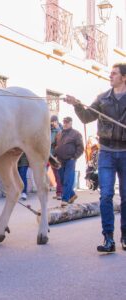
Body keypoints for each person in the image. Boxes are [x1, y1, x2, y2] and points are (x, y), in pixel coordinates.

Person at [65, 62, 126, 253]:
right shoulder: (102, 99)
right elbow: (86, 117)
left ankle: (125, 236)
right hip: (106, 152)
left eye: (114, 74)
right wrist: (76, 104)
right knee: (105, 195)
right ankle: (109, 239)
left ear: (124, 77)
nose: (110, 76)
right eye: (110, 73)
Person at [53, 117, 84, 207]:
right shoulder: (59, 134)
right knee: (62, 180)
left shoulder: (76, 134)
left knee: (67, 179)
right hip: (59, 160)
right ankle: (72, 195)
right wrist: (54, 155)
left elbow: (81, 148)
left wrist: (74, 157)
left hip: (70, 160)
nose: (65, 124)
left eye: (67, 122)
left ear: (71, 123)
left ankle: (65, 199)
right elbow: (55, 145)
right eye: (64, 122)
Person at [50, 115, 63, 200]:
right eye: (52, 122)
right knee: (56, 175)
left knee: (59, 175)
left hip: (58, 155)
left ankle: (60, 193)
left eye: (54, 121)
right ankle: (59, 192)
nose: (53, 123)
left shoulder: (60, 129)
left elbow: (61, 139)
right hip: (51, 155)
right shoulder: (50, 130)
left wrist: (57, 128)